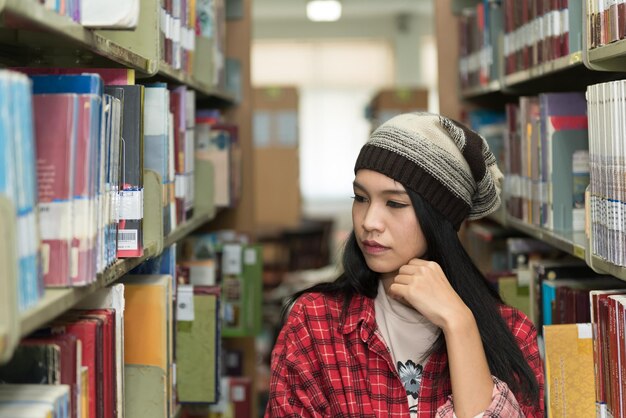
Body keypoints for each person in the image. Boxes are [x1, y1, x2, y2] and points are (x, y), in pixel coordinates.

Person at [265, 112, 544, 417]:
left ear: (439, 218)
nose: (369, 222)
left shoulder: (514, 333)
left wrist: (459, 324)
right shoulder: (314, 323)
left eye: (395, 203)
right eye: (360, 198)